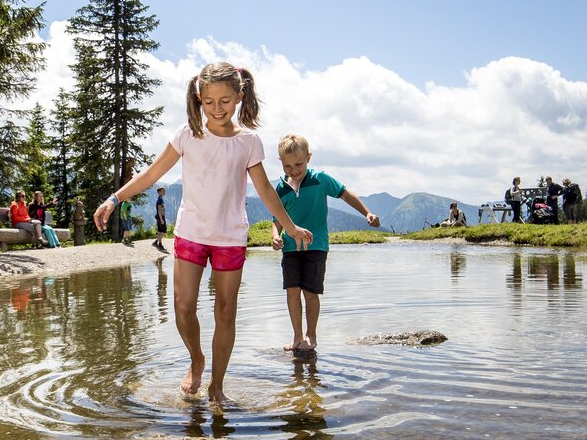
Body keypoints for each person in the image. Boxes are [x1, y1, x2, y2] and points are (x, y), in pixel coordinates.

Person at [92, 62, 313, 404]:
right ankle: (196, 359)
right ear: (198, 98)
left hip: (230, 238)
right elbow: (152, 174)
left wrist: (289, 226)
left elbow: (266, 189)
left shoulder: (248, 142)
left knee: (226, 311)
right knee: (183, 307)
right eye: (209, 101)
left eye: (225, 100)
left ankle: (217, 385)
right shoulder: (186, 135)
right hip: (191, 234)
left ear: (240, 97)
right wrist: (114, 198)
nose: (217, 108)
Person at [271, 134, 379, 359]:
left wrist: (366, 212)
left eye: (299, 164)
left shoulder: (320, 179)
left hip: (316, 246)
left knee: (311, 291)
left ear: (308, 158)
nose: (294, 169)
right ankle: (297, 337)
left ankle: (311, 335)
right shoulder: (280, 188)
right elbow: (277, 219)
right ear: (280, 162)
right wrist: (275, 236)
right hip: (290, 248)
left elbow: (345, 194)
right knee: (292, 291)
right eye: (288, 165)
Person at [153, 186, 168, 251]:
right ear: (159, 192)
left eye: (164, 191)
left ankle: (160, 243)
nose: (164, 192)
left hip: (159, 217)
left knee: (160, 231)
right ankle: (156, 242)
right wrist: (161, 219)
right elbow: (159, 210)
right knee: (164, 231)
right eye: (162, 191)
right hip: (160, 217)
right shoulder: (160, 200)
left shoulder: (160, 198)